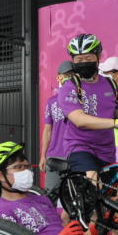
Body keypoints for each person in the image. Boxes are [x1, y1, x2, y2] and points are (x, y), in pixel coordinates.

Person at [58, 34, 118, 181]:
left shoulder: (110, 84)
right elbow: (79, 120)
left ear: (98, 57)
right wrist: (114, 123)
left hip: (107, 151)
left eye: (88, 58)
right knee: (92, 179)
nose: (83, 62)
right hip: (80, 147)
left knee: (105, 198)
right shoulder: (70, 86)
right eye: (79, 59)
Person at [39, 61, 73, 192]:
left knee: (76, 199)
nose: (69, 78)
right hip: (55, 157)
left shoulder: (83, 99)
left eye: (72, 74)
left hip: (76, 155)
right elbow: (47, 131)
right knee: (50, 195)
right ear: (58, 77)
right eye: (66, 75)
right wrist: (43, 155)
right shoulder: (52, 101)